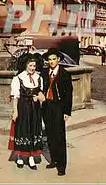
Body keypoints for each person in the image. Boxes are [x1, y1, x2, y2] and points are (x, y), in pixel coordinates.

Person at [8, 53, 45, 170]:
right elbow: (15, 97)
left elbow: (41, 94)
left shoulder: (39, 78)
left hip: (35, 109)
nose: (32, 68)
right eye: (30, 65)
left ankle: (31, 158)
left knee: (33, 130)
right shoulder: (18, 78)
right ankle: (19, 157)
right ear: (25, 65)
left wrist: (38, 97)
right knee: (22, 130)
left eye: (34, 66)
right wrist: (15, 112)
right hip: (23, 108)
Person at [41, 48, 73, 176]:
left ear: (58, 60)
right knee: (50, 133)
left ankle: (61, 165)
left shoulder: (64, 74)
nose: (52, 61)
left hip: (59, 106)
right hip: (47, 106)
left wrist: (67, 111)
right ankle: (53, 160)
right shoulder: (44, 73)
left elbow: (68, 94)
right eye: (49, 59)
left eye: (54, 59)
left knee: (59, 136)